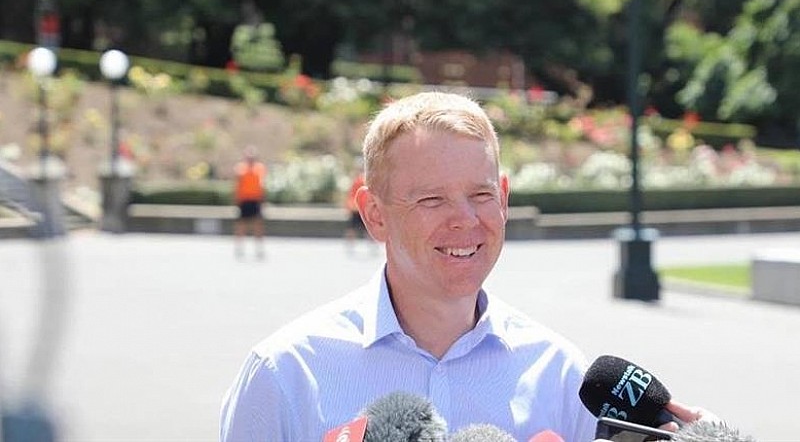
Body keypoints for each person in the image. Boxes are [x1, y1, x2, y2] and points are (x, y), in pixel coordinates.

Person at [220, 92, 716, 441]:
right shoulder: (285, 374)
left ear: (502, 199)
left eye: (480, 195)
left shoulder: (561, 375)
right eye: (432, 199)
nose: (465, 220)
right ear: (374, 214)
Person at [233, 145, 266, 259]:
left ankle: (259, 248)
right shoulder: (240, 168)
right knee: (241, 224)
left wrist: (263, 199)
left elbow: (262, 185)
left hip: (255, 200)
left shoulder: (260, 168)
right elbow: (237, 185)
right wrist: (236, 199)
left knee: (258, 224)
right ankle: (239, 247)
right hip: (244, 200)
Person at [342, 160, 371, 253]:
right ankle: (371, 245)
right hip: (359, 207)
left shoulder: (358, 180)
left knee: (353, 228)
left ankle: (350, 245)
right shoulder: (362, 180)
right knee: (365, 228)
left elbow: (350, 194)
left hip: (356, 207)